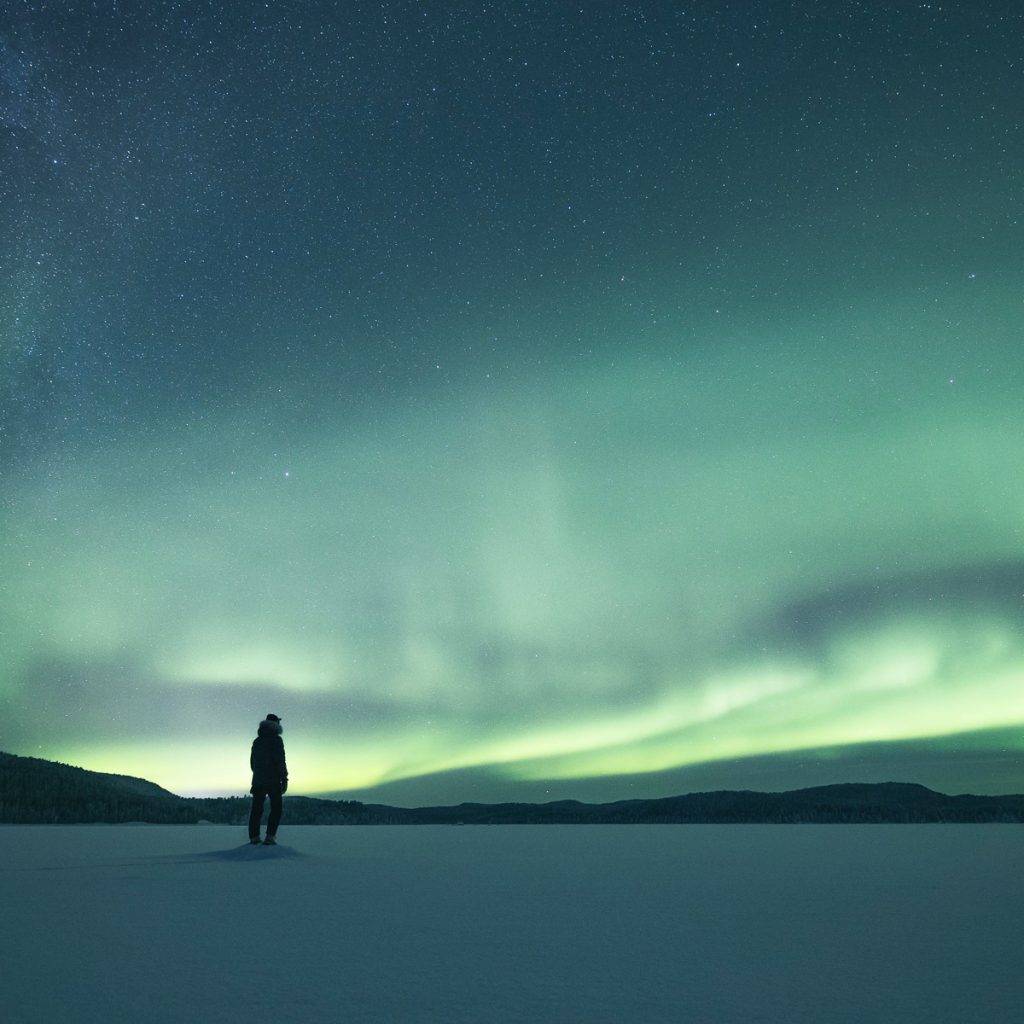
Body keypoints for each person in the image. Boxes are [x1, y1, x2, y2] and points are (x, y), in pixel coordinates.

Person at [248, 713, 288, 845]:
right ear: (276, 724)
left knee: (256, 809)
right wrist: (284, 778)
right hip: (273, 781)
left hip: (258, 780)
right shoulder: (276, 740)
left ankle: (254, 838)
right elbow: (280, 760)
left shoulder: (257, 741)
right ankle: (270, 837)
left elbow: (252, 763)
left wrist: (259, 773)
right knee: (276, 808)